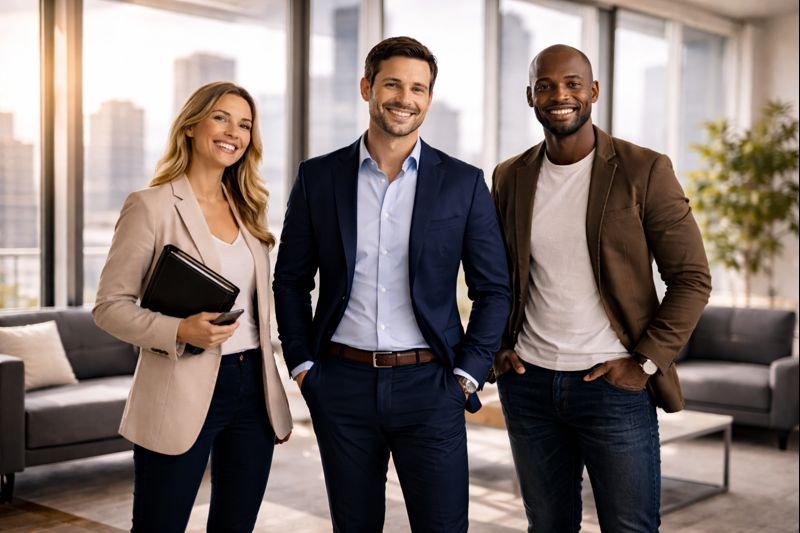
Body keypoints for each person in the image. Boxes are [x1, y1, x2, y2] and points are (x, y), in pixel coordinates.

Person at [273, 36, 510, 532]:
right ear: (367, 87)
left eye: (419, 88)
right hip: (341, 384)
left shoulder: (463, 183)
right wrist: (302, 366)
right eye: (394, 84)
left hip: (432, 388)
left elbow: (494, 291)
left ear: (429, 97)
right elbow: (291, 280)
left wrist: (466, 375)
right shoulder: (318, 178)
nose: (406, 98)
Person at [490, 44, 712, 532]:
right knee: (547, 525)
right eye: (545, 85)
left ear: (593, 91)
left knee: (629, 527)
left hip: (613, 387)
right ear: (530, 96)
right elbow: (498, 275)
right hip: (529, 385)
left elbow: (692, 278)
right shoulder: (510, 176)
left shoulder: (644, 170)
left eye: (572, 83)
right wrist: (498, 348)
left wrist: (645, 362)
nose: (559, 95)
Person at [93, 81, 292, 533]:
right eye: (221, 117)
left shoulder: (247, 209)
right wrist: (180, 330)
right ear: (191, 127)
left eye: (245, 124)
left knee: (235, 524)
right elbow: (108, 307)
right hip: (178, 387)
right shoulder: (151, 205)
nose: (233, 132)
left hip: (252, 390)